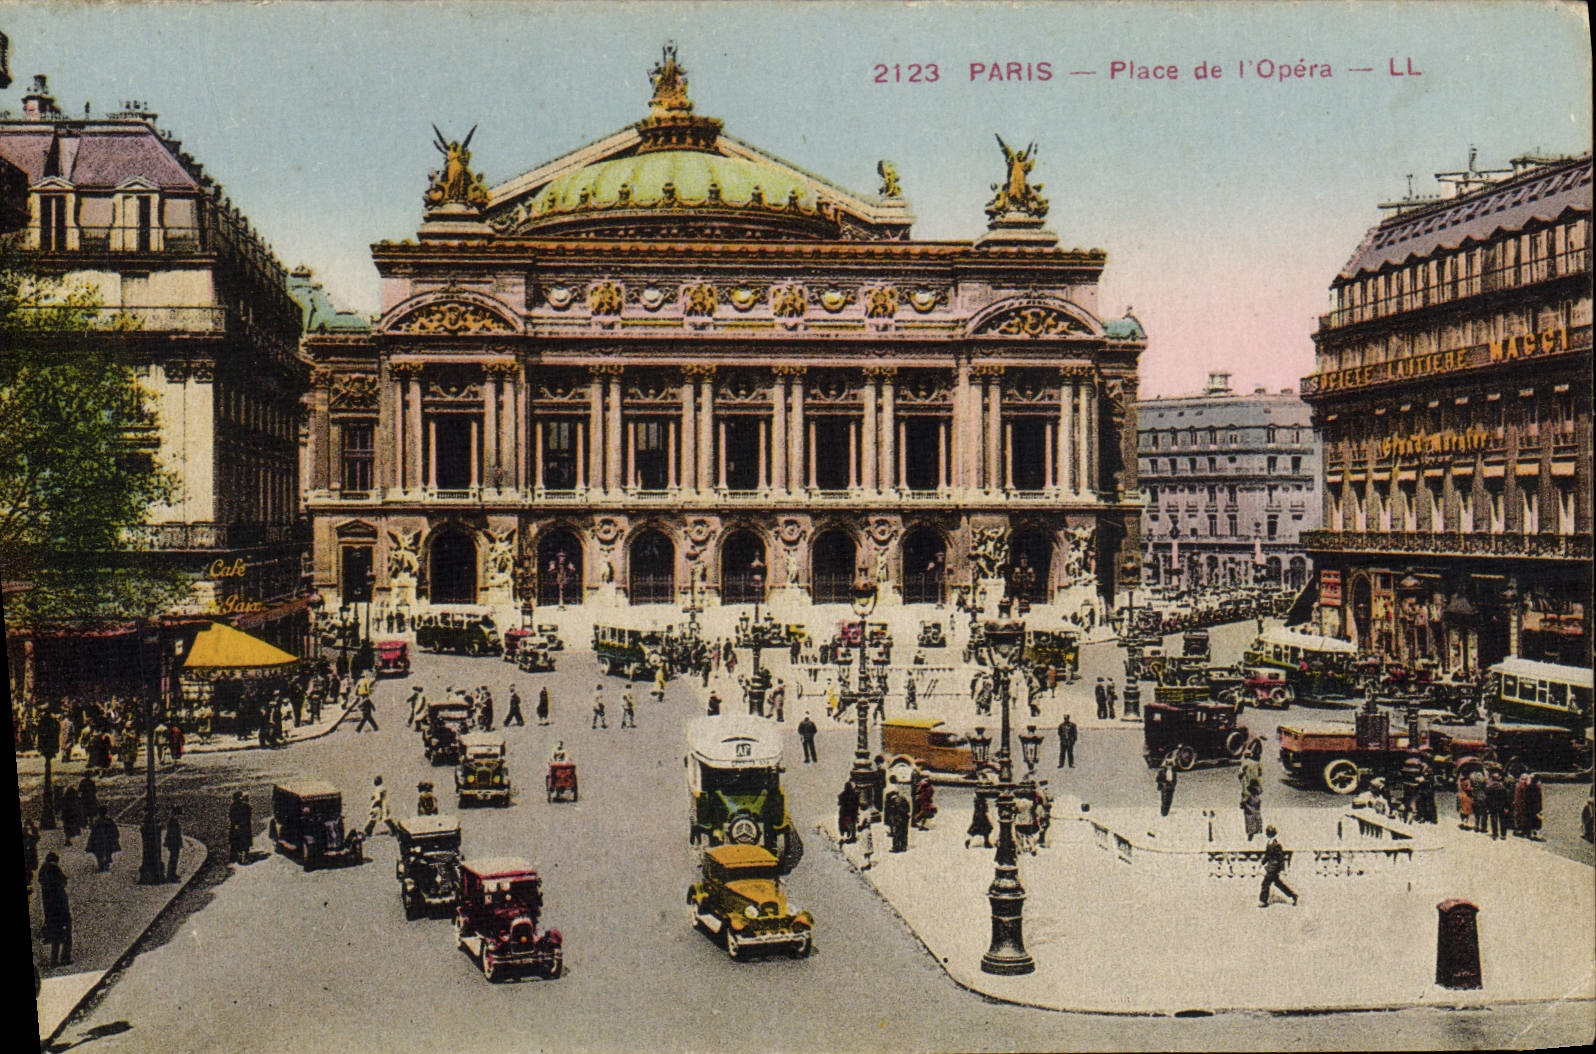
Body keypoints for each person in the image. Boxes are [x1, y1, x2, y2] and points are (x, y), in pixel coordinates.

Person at [39, 852, 71, 967]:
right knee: (67, 933)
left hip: (50, 911)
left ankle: (54, 961)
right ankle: (65, 958)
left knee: (55, 936)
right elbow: (62, 883)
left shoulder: (43, 874)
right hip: (61, 909)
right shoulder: (55, 871)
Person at [1259, 825, 1298, 907]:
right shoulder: (1269, 843)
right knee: (1278, 884)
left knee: (1265, 884)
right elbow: (1267, 855)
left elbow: (1280, 858)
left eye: (1268, 833)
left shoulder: (1276, 845)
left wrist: (1281, 869)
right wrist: (1262, 863)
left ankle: (1263, 901)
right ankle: (1293, 896)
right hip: (1271, 867)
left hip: (1274, 868)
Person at [86, 806, 121, 871]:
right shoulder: (109, 821)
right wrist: (115, 837)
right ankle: (105, 864)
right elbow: (115, 831)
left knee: (99, 853)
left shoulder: (97, 822)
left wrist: (91, 841)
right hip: (108, 841)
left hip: (98, 841)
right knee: (108, 852)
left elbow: (93, 832)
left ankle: (101, 864)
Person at [228, 791, 253, 864]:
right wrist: (237, 826)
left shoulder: (234, 806)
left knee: (239, 842)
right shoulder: (239, 806)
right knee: (241, 843)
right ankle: (241, 858)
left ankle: (238, 857)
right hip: (242, 827)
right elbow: (233, 817)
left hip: (240, 827)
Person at [164, 805, 184, 882]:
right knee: (173, 858)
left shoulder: (172, 821)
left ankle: (173, 874)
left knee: (174, 858)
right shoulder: (173, 822)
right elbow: (173, 834)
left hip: (174, 843)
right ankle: (171, 876)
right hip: (174, 843)